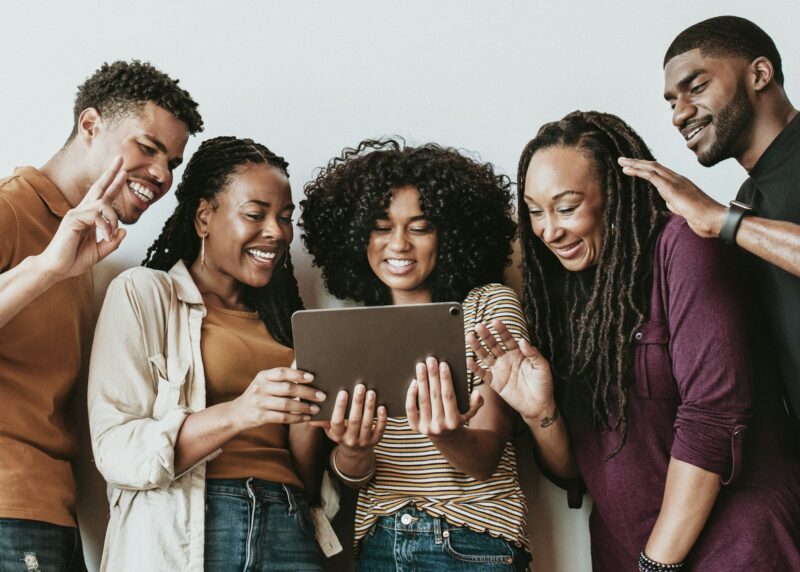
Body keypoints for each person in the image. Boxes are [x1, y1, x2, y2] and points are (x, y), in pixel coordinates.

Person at [470, 111, 800, 571]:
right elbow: (576, 473)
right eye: (534, 211)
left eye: (566, 208)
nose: (548, 230)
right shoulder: (563, 294)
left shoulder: (683, 245)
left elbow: (713, 420)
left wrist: (656, 563)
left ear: (616, 193)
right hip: (624, 553)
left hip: (734, 550)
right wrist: (540, 412)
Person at [0, 60, 202, 571]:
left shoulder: (89, 246)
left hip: (49, 512)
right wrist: (46, 268)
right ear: (90, 126)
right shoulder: (10, 211)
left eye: (173, 162)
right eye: (148, 148)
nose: (161, 175)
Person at [88, 137, 324, 571]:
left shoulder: (290, 324)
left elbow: (307, 482)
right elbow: (116, 450)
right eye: (256, 214)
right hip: (192, 524)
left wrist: (326, 428)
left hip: (290, 524)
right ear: (203, 217)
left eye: (286, 218)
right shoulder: (144, 293)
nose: (276, 231)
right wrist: (240, 412)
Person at [300, 139, 531, 571]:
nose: (399, 244)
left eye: (420, 227)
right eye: (382, 227)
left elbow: (485, 458)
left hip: (472, 541)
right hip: (380, 544)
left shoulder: (486, 306)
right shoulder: (348, 334)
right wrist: (352, 449)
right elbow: (355, 478)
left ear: (449, 234)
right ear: (357, 236)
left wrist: (448, 437)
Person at [618, 16, 800, 423]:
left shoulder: (731, 216)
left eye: (696, 88)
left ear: (759, 74)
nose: (679, 115)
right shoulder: (747, 202)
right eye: (671, 102)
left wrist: (720, 219)